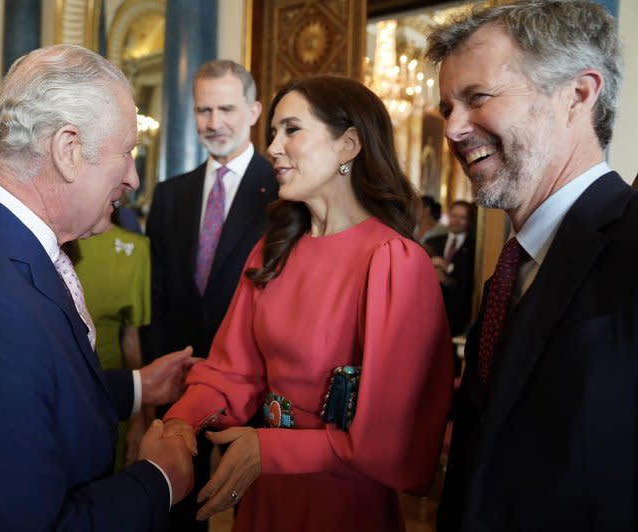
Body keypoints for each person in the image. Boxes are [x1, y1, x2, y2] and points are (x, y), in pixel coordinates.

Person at [0, 44, 197, 531]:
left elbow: (28, 394)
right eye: (126, 152)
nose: (132, 176)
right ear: (69, 151)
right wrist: (158, 479)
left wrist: (136, 386)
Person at [162, 75, 455, 532]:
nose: (274, 148)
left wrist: (270, 450)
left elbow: (391, 438)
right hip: (264, 491)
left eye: (291, 130)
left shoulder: (394, 261)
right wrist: (182, 422)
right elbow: (232, 372)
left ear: (349, 145)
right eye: (273, 133)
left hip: (342, 500)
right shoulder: (272, 250)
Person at [425, 2, 638, 530]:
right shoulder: (510, 268)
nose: (452, 130)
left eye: (478, 98)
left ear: (578, 94)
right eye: (446, 108)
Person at [145, 58, 278, 532]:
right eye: (204, 110)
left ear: (254, 111)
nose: (214, 123)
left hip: (256, 384)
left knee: (256, 512)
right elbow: (157, 293)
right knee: (178, 508)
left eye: (226, 108)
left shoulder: (284, 193)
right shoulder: (169, 195)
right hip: (180, 380)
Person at [75, 218, 152, 470]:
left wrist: (138, 416)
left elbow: (132, 340)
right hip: (50, 394)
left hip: (110, 395)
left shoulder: (134, 248)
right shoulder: (49, 239)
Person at [426, 200, 475, 338]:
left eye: (462, 217)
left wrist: (447, 266)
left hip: (458, 315)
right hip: (430, 310)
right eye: (454, 216)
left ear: (469, 221)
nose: (456, 221)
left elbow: (470, 279)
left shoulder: (476, 247)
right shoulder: (432, 242)